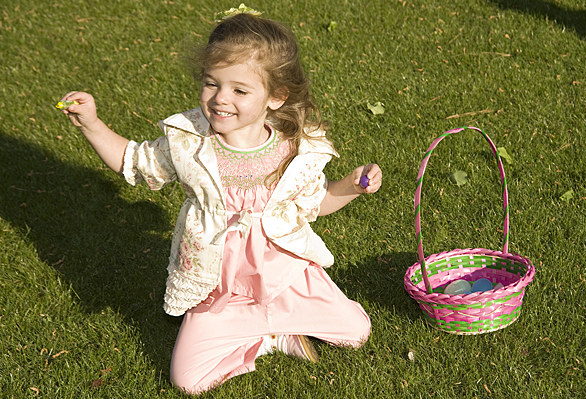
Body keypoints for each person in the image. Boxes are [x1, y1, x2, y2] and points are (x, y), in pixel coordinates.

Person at [59, 10, 382, 394]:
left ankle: (276, 324)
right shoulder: (189, 143)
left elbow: (314, 203)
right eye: (211, 84)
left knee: (357, 333)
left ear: (276, 97)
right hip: (219, 287)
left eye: (240, 91)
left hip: (286, 277)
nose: (220, 99)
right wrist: (93, 125)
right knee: (188, 381)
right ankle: (267, 336)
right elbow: (135, 161)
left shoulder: (292, 149)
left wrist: (351, 186)